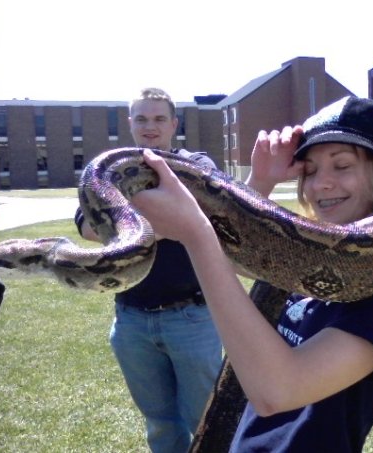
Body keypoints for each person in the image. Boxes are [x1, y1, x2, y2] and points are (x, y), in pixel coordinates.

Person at [131, 96, 373, 452]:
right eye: (310, 170)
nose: (320, 185)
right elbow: (234, 257)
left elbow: (278, 390)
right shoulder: (305, 254)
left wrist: (195, 233)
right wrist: (261, 181)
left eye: (342, 166)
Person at [74, 88, 222, 453]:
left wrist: (128, 221)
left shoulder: (197, 165)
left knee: (207, 419)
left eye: (158, 119)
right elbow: (87, 227)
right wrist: (169, 223)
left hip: (192, 317)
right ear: (130, 124)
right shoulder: (109, 169)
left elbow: (210, 220)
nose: (150, 126)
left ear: (174, 124)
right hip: (131, 321)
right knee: (159, 423)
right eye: (141, 119)